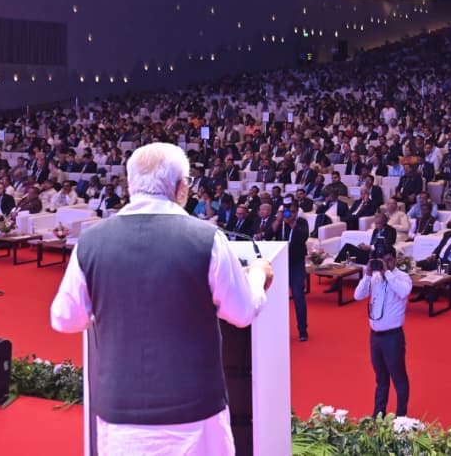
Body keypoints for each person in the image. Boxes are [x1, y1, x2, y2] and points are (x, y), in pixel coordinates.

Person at [50, 143, 274, 456]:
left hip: (120, 410)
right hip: (194, 409)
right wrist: (258, 275)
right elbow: (242, 312)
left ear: (130, 185)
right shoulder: (207, 238)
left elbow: (65, 318)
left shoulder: (91, 242)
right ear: (182, 187)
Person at [354, 250, 412, 418]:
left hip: (393, 336)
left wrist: (387, 272)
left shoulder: (402, 277)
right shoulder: (375, 277)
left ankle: (401, 417)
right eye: (382, 261)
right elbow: (358, 295)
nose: (386, 264)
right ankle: (378, 414)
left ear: (395, 259)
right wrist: (367, 275)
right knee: (381, 378)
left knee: (398, 377)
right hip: (375, 336)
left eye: (389, 260)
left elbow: (403, 292)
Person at [278, 200, 311, 342]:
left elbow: (303, 237)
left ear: (297, 211)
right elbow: (270, 232)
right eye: (287, 211)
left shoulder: (301, 222)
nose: (289, 214)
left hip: (296, 264)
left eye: (292, 212)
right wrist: (279, 219)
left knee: (298, 296)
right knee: (277, 298)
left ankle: (302, 330)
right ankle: (278, 330)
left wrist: (292, 223)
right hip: (280, 263)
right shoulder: (280, 222)